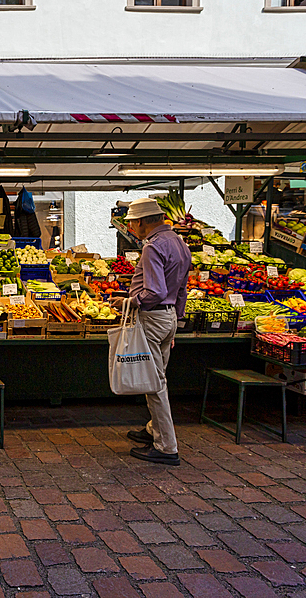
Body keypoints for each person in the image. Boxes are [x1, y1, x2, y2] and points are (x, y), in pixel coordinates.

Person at [115, 198, 191, 466]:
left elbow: (154, 292)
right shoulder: (180, 243)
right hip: (169, 317)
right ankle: (153, 430)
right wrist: (176, 322)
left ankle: (167, 446)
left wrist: (128, 301)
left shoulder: (152, 247)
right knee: (158, 377)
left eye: (132, 223)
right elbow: (180, 288)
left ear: (143, 222)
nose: (131, 228)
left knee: (154, 384)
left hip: (153, 317)